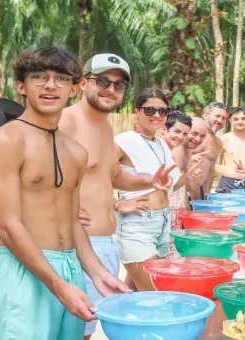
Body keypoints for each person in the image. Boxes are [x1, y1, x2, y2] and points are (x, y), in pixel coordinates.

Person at [0, 47, 129, 340]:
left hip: (70, 266)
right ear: (21, 86)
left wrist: (99, 274)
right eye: (38, 77)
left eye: (61, 79)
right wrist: (58, 286)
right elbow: (8, 227)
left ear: (74, 88)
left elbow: (73, 222)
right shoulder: (6, 141)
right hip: (22, 270)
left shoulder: (75, 152)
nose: (50, 85)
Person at [58, 53, 173, 339]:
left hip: (105, 243)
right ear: (83, 83)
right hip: (78, 244)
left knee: (87, 328)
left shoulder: (106, 128)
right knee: (72, 329)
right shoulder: (65, 121)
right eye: (103, 81)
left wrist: (149, 180)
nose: (110, 89)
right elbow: (38, 177)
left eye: (119, 85)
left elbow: (112, 175)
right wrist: (62, 214)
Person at [114, 88, 202, 291]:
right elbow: (93, 176)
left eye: (162, 111)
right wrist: (117, 204)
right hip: (139, 225)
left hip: (162, 225)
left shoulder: (161, 145)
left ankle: (127, 320)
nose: (156, 116)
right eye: (150, 110)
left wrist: (186, 179)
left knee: (135, 291)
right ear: (137, 112)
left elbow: (167, 188)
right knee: (156, 292)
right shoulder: (124, 140)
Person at [162, 110, 193, 258]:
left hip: (172, 215)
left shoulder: (169, 151)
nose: (180, 137)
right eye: (177, 131)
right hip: (162, 216)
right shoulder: (159, 151)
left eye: (185, 134)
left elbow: (174, 186)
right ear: (164, 129)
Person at [188, 102, 228, 199]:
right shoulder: (190, 133)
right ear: (206, 115)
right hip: (182, 188)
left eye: (223, 118)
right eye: (217, 116)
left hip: (199, 191)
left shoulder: (218, 142)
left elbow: (210, 171)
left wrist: (206, 196)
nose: (220, 120)